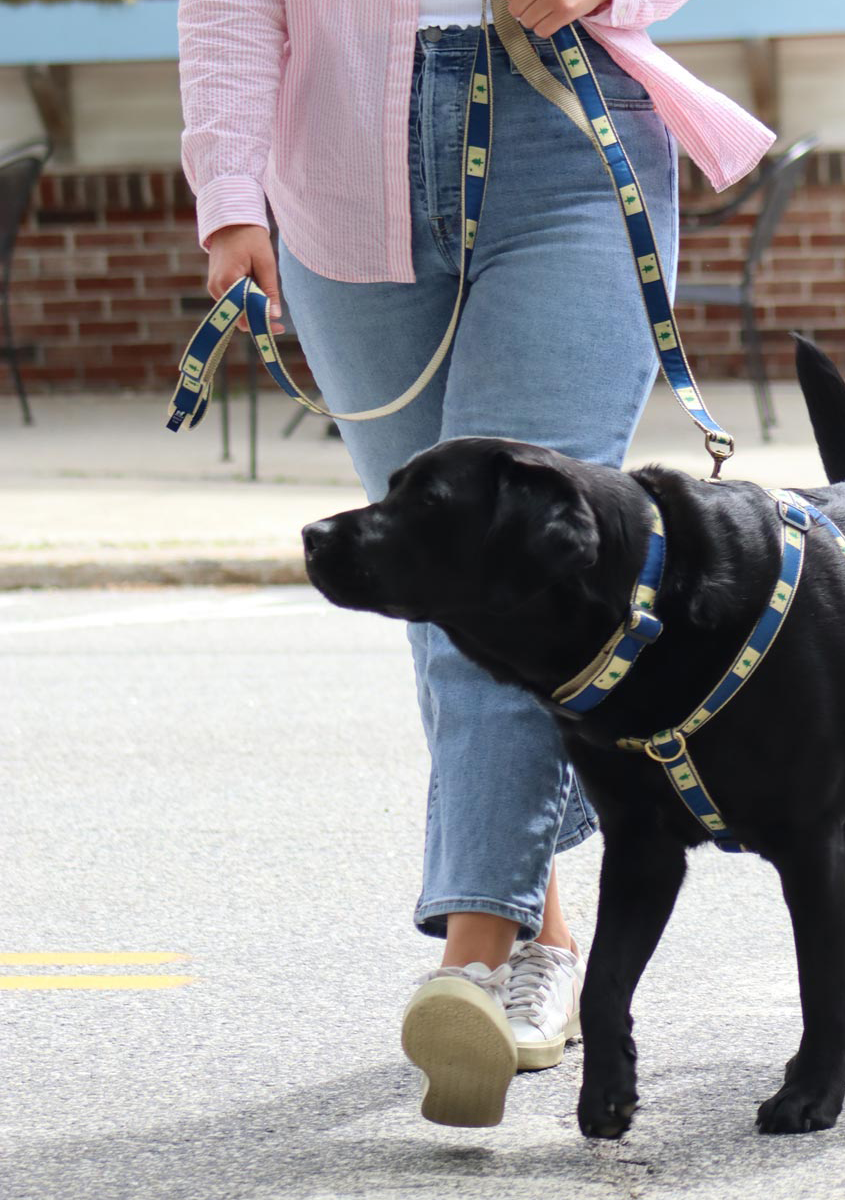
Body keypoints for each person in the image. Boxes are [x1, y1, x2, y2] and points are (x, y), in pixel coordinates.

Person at [178, 0, 773, 1127]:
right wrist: (227, 196)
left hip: (563, 137)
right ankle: (545, 939)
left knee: (514, 572)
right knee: (436, 588)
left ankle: (471, 963)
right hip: (342, 172)